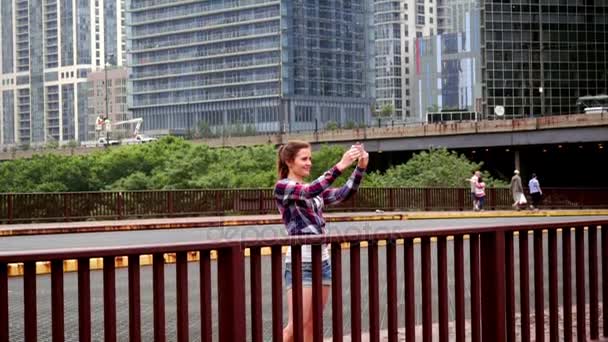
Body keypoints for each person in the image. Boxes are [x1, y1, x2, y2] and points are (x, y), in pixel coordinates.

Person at [275, 140, 368, 342]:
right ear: (289, 162)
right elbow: (309, 191)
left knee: (312, 324)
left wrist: (360, 168)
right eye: (304, 159)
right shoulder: (283, 187)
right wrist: (341, 165)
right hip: (302, 262)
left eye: (310, 158)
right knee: (296, 326)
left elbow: (344, 193)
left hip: (322, 260)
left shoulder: (312, 190)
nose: (309, 162)